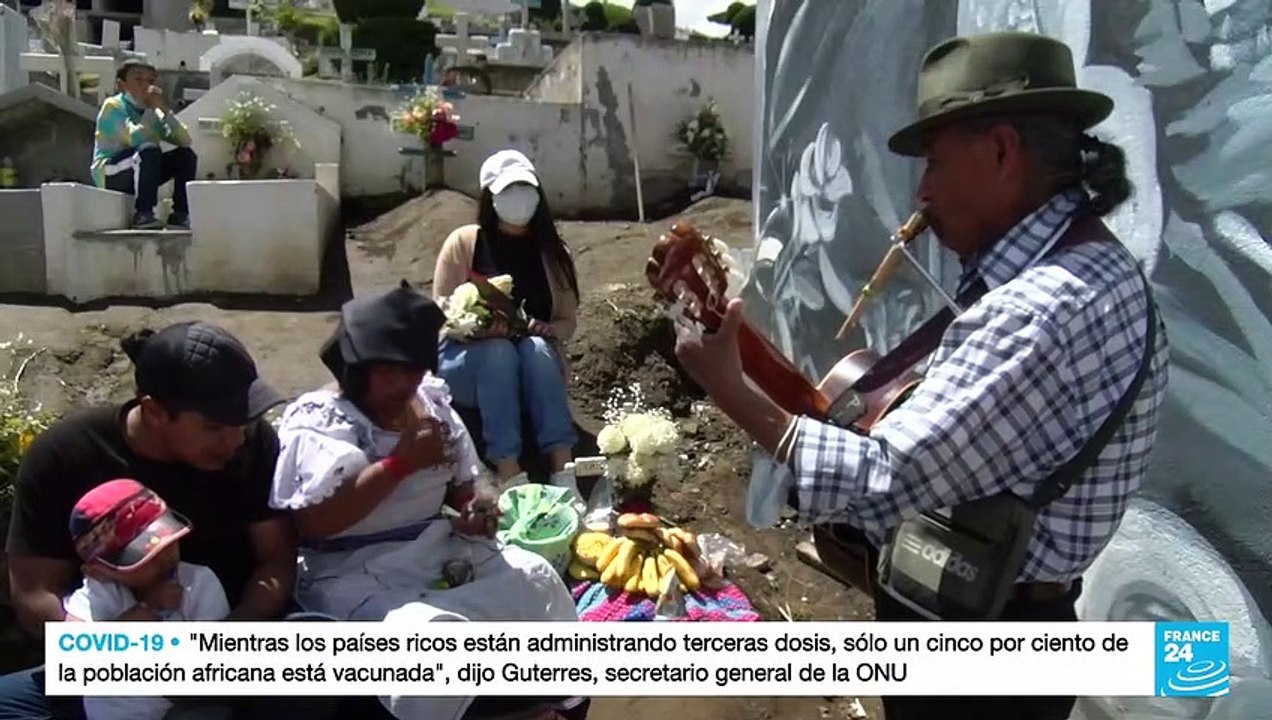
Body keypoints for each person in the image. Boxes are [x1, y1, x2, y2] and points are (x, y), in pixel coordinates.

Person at [668, 31, 1169, 720]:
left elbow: (885, 482)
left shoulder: (1040, 308)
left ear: (1002, 151)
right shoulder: (1091, 269)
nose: (923, 191)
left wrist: (729, 389)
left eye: (934, 164)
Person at [269, 283, 585, 720]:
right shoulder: (321, 420)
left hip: (433, 551)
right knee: (431, 642)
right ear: (357, 368)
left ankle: (547, 705)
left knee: (537, 580)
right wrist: (400, 463)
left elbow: (466, 487)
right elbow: (315, 522)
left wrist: (479, 507)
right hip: (350, 570)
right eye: (389, 372)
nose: (404, 384)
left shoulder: (431, 405)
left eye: (413, 371)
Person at [0, 321, 328, 720]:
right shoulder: (65, 455)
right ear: (154, 410)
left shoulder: (252, 444)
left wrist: (217, 642)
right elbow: (35, 598)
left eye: (243, 421)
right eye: (215, 427)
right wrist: (119, 649)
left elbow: (275, 561)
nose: (236, 439)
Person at [433, 149, 580, 482]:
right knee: (497, 352)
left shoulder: (555, 254)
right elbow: (441, 311)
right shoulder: (464, 243)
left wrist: (548, 329)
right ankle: (508, 469)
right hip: (467, 363)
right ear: (490, 197)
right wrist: (476, 329)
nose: (519, 198)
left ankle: (563, 467)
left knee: (539, 348)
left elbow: (568, 322)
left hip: (532, 365)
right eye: (507, 191)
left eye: (525, 189)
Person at [64, 478, 233, 720]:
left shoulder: (198, 582)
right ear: (98, 571)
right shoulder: (98, 593)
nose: (164, 559)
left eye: (169, 544)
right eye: (146, 558)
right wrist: (147, 609)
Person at [91, 59, 197, 229]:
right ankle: (143, 214)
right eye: (138, 80)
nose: (145, 86)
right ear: (121, 85)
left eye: (150, 81)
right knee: (149, 148)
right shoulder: (113, 106)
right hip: (111, 173)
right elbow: (134, 138)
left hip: (140, 168)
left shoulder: (153, 110)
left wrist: (164, 110)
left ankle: (180, 213)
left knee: (185, 155)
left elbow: (185, 140)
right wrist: (150, 109)